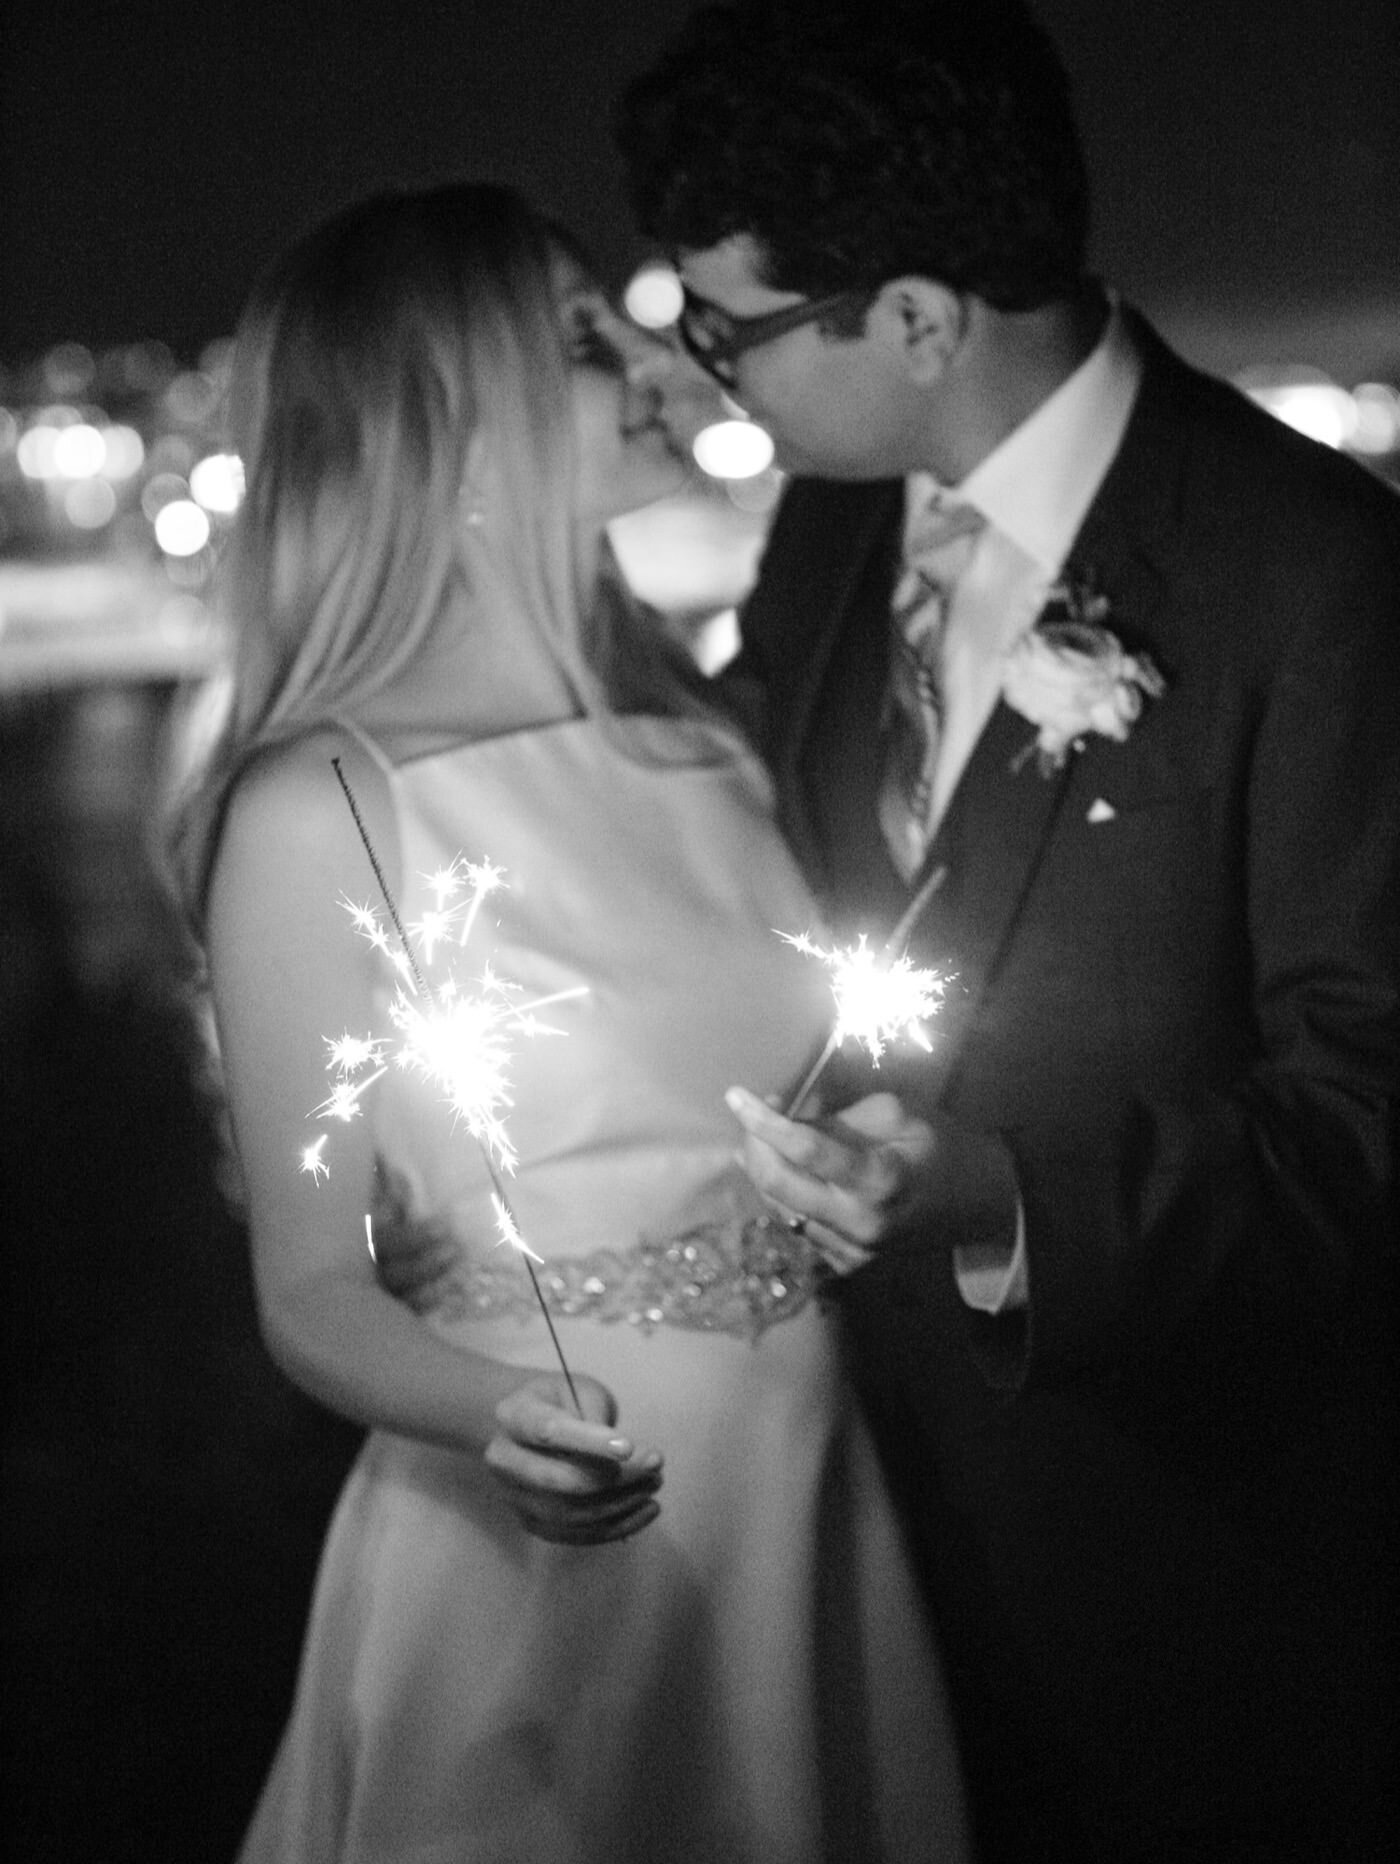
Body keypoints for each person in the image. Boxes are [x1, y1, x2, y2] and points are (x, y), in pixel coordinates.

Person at [616, 4, 1400, 1859]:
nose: (714, 376)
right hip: (848, 1522)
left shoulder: (1311, 569)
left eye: (730, 330)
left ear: (912, 316)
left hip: (1179, 1560)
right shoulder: (825, 538)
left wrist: (1003, 1201)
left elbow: (1370, 1111)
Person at [168, 182, 972, 1862]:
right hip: (544, 1538)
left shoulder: (714, 736)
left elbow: (820, 1076)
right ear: (442, 430)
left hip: (811, 1480)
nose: (657, 359)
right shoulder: (327, 803)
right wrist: (499, 1424)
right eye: (579, 338)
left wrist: (884, 1156)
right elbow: (312, 1291)